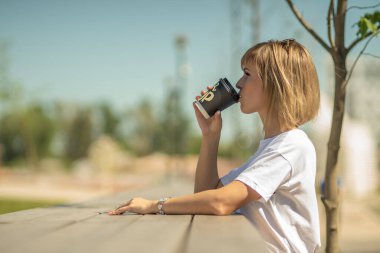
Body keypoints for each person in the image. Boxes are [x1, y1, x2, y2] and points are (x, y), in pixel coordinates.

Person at [109, 39, 321, 253]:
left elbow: (221, 202)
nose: (238, 83)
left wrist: (154, 206)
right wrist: (210, 136)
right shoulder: (270, 149)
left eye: (247, 74)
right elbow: (205, 193)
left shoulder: (291, 146)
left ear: (276, 83)